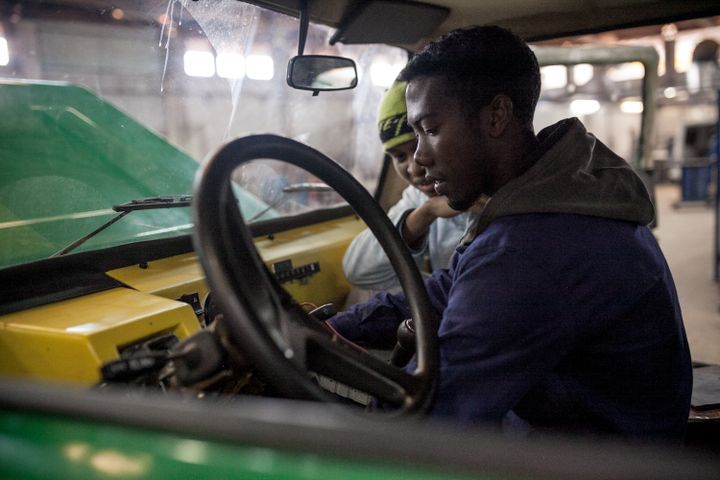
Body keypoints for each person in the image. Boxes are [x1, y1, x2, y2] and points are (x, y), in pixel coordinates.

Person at [329, 25, 692, 442]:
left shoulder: (531, 251)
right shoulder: (557, 194)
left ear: (497, 116)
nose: (420, 158)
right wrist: (341, 329)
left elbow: (422, 413)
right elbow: (443, 291)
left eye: (430, 129)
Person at [343, 80, 471, 292]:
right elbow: (357, 269)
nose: (415, 168)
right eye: (400, 156)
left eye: (421, 145)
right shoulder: (420, 198)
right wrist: (426, 212)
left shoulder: (494, 194)